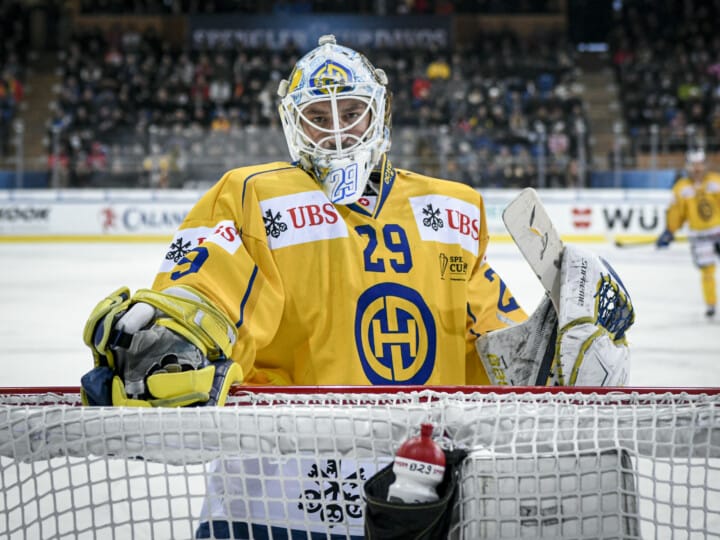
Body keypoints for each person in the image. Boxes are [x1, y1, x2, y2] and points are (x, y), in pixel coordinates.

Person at [80, 36, 634, 538]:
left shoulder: (453, 208)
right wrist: (175, 339)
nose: (338, 129)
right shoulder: (252, 194)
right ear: (293, 123)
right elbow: (206, 291)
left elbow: (492, 352)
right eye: (319, 115)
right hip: (270, 508)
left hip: (415, 503)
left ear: (381, 113)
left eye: (352, 111)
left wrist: (558, 357)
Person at [656, 149, 720, 318]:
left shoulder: (716, 182)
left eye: (700, 164)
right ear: (688, 166)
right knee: (708, 271)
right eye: (694, 164)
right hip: (700, 237)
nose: (697, 168)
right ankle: (711, 304)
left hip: (718, 231)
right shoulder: (681, 188)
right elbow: (676, 212)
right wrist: (670, 230)